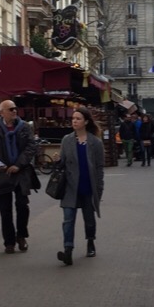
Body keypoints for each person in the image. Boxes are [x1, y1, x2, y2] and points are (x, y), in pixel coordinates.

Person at [0, 99, 39, 253]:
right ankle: (9, 242)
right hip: (2, 174)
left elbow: (31, 147)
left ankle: (21, 236)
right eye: (10, 109)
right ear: (2, 112)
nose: (14, 111)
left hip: (21, 172)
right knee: (5, 210)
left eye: (15, 108)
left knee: (22, 206)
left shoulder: (24, 127)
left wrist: (18, 164)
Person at [56, 106, 105, 266]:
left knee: (89, 219)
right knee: (68, 220)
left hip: (88, 187)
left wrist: (99, 188)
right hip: (70, 187)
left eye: (78, 119)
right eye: (73, 119)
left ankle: (90, 242)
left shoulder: (95, 142)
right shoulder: (67, 140)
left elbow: (99, 168)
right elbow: (62, 164)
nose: (74, 121)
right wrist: (58, 160)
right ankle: (68, 250)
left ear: (86, 122)